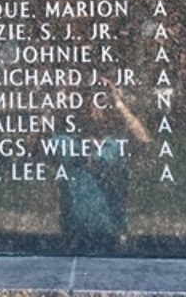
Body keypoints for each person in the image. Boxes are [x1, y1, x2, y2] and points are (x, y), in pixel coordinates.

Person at [57, 76, 150, 252]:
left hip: (113, 238)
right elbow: (33, 145)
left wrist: (118, 102)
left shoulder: (116, 144)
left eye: (99, 99)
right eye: (86, 99)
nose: (92, 106)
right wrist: (57, 103)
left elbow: (143, 141)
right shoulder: (66, 143)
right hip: (71, 240)